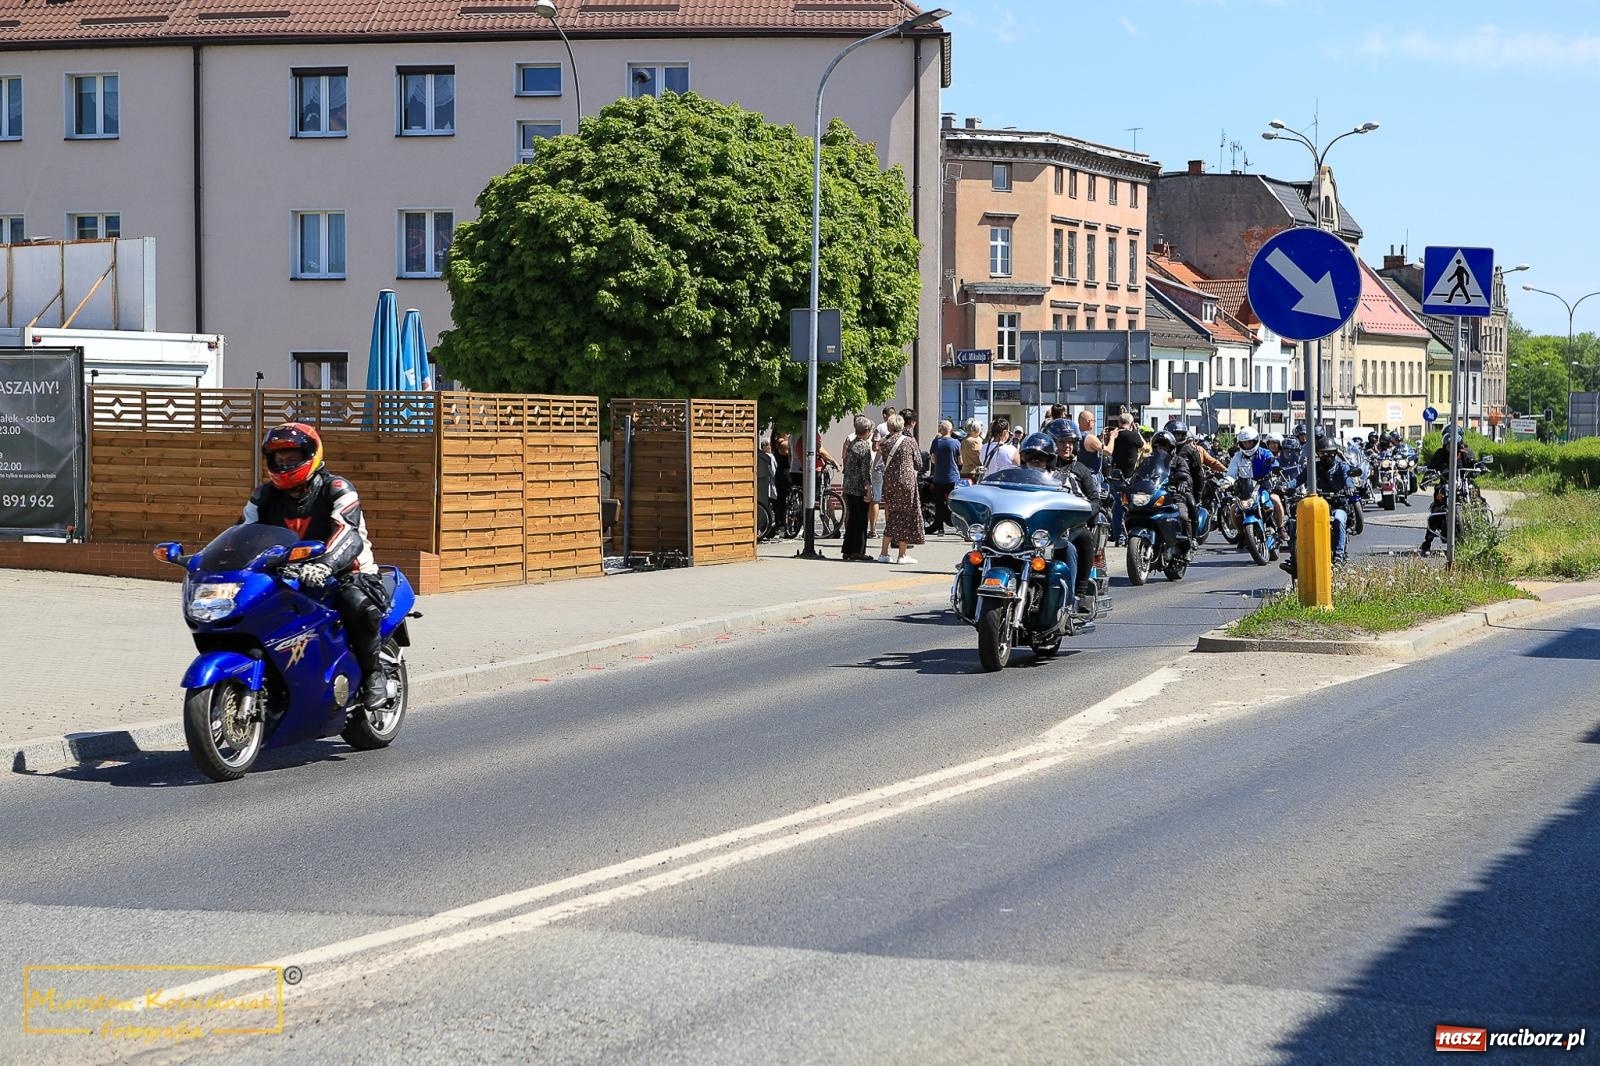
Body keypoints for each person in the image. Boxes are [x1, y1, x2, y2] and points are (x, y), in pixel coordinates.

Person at [245, 422, 391, 710]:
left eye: (292, 458)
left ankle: (374, 674)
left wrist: (325, 565)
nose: (284, 464)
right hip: (290, 577)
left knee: (354, 602)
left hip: (349, 573)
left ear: (311, 455)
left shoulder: (337, 489)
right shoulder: (263, 498)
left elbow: (348, 535)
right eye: (279, 459)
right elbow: (244, 534)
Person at [1045, 420, 1102, 611]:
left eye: (1070, 442)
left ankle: (1081, 593)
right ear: (1052, 444)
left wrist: (1084, 512)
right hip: (1043, 524)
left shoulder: (1081, 470)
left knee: (1084, 538)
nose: (1067, 446)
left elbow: (1095, 500)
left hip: (1071, 525)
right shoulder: (1042, 469)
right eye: (1062, 442)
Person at [876, 413, 923, 564]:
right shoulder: (909, 441)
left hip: (889, 481)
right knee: (905, 515)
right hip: (906, 481)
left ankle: (884, 552)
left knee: (893, 514)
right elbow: (919, 463)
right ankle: (902, 555)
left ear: (889, 426)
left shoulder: (884, 443)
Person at [1225, 427, 1288, 540]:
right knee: (1233, 509)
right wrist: (1227, 482)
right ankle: (1241, 534)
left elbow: (1274, 462)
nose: (1247, 445)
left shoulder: (1265, 453)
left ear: (1255, 441)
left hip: (1264, 486)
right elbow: (1231, 473)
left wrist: (1275, 468)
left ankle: (1280, 528)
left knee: (1276, 500)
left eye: (1249, 442)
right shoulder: (1237, 457)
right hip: (1246, 490)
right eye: (1244, 442)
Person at [1150, 430, 1196, 545]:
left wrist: (1183, 483)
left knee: (1183, 516)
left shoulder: (1178, 460)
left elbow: (1185, 474)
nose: (1161, 449)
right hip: (1156, 495)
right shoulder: (1149, 461)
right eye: (1158, 446)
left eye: (1164, 446)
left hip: (1174, 495)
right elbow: (1140, 474)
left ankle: (1188, 544)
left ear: (1170, 447)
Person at [840, 415, 876, 560]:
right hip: (859, 487)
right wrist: (868, 486)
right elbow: (865, 469)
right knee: (860, 520)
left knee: (853, 518)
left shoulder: (852, 443)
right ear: (867, 430)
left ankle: (847, 550)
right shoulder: (864, 445)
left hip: (849, 486)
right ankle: (858, 551)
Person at [926, 420, 962, 535]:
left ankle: (940, 528)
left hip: (939, 477)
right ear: (951, 430)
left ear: (941, 430)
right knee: (954, 503)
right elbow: (960, 461)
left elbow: (933, 459)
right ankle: (958, 527)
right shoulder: (956, 443)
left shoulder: (936, 442)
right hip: (953, 477)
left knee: (939, 503)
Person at [1419, 483, 1454, 556]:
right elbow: (1430, 473)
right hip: (1442, 504)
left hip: (1461, 483)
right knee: (1434, 516)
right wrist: (1427, 478)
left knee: (1473, 488)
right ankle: (1427, 543)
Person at [772, 432, 793, 536]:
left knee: (781, 500)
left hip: (779, 473)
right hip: (786, 473)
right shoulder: (784, 444)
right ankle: (785, 526)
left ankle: (780, 525)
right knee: (788, 501)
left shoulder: (775, 443)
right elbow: (791, 456)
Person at [959, 418, 984, 484]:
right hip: (974, 472)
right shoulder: (975, 441)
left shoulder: (964, 440)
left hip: (964, 471)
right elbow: (982, 455)